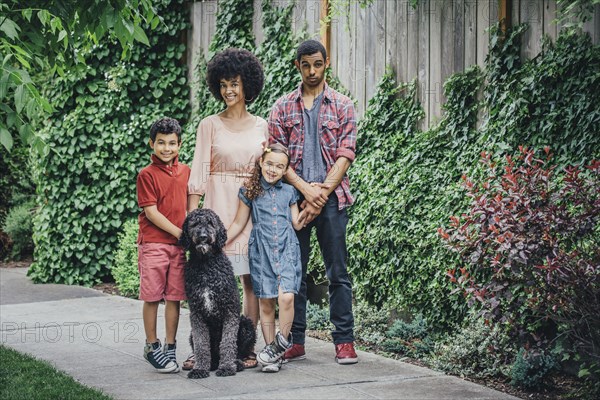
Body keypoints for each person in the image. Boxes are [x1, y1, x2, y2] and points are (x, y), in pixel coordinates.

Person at [268, 39, 358, 364]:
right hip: (294, 202)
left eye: (317, 64)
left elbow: (346, 154)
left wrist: (319, 197)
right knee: (295, 273)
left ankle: (344, 342)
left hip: (332, 202)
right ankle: (295, 340)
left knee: (338, 272)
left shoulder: (343, 105)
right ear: (298, 66)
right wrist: (306, 191)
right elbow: (276, 158)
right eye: (305, 65)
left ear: (326, 63)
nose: (312, 71)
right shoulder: (281, 108)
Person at [186, 48, 268, 370]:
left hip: (250, 207)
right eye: (222, 85)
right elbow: (198, 175)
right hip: (216, 207)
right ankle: (202, 350)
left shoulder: (262, 124)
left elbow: (269, 169)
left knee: (249, 279)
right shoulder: (209, 124)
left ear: (246, 84)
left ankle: (244, 349)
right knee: (207, 282)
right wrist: (191, 222)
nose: (228, 91)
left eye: (234, 83)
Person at [226, 143, 303, 373]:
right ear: (261, 163)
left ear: (285, 170)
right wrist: (221, 240)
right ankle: (272, 354)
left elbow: (296, 222)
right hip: (261, 251)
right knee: (266, 301)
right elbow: (239, 223)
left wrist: (308, 211)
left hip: (287, 248)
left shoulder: (289, 192)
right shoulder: (250, 190)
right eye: (269, 164)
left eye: (279, 167)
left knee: (287, 296)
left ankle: (280, 343)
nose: (273, 169)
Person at [136, 117, 191, 373]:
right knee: (152, 296)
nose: (166, 148)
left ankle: (170, 345)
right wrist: (181, 233)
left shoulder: (186, 172)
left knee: (174, 297)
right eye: (161, 143)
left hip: (178, 248)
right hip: (155, 244)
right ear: (152, 144)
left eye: (171, 143)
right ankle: (152, 344)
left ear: (179, 144)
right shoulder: (146, 175)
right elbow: (151, 213)